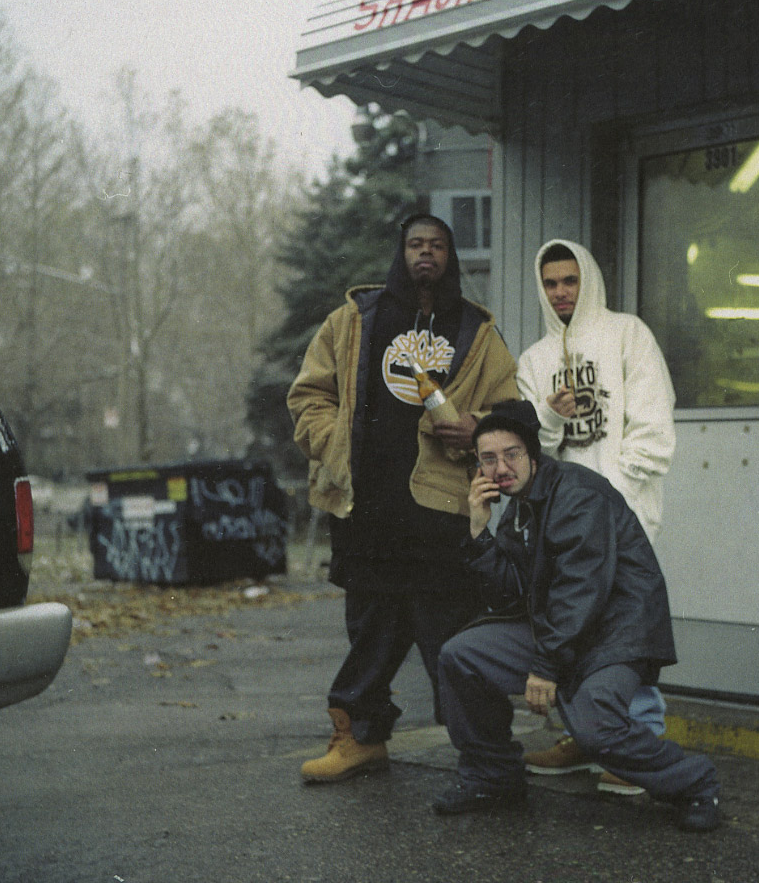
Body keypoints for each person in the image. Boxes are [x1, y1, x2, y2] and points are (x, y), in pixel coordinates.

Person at [287, 213, 518, 783]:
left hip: (441, 514)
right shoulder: (354, 321)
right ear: (402, 252)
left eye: (436, 245)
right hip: (366, 511)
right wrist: (335, 441)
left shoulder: (475, 330)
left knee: (452, 639)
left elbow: (512, 408)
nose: (426, 254)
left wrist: (478, 429)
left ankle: (484, 755)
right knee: (370, 633)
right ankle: (360, 739)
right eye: (416, 244)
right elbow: (308, 395)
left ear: (449, 256)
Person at [432, 400, 720, 831]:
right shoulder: (519, 504)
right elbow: (510, 591)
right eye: (488, 459)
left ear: (533, 453)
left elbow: (581, 590)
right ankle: (492, 777)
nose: (500, 468)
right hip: (564, 631)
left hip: (615, 634)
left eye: (511, 454)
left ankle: (696, 784)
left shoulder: (576, 492)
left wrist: (545, 667)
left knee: (596, 729)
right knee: (462, 656)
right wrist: (478, 531)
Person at [516, 239, 676, 793]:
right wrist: (550, 418)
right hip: (564, 521)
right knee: (571, 619)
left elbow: (653, 423)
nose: (561, 292)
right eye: (551, 283)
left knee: (628, 623)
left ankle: (639, 742)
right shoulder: (534, 360)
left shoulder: (627, 333)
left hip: (624, 511)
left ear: (589, 280)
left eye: (571, 280)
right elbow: (531, 450)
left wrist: (621, 496)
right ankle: (584, 737)